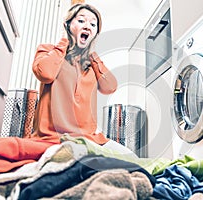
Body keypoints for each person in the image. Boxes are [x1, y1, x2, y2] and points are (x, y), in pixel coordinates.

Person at [31, 3, 136, 156]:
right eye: (81, 21)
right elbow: (45, 74)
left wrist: (92, 55)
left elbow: (110, 87)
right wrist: (65, 42)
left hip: (89, 138)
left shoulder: (92, 64)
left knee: (130, 157)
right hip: (54, 137)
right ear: (67, 25)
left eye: (93, 24)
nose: (87, 26)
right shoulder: (48, 51)